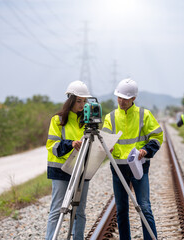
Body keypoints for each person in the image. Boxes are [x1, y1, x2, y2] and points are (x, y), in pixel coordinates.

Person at [102, 78, 163, 240]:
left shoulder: (144, 115)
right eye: (119, 97)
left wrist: (146, 150)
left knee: (144, 207)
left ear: (133, 99)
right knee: (121, 209)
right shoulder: (111, 117)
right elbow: (105, 138)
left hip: (139, 168)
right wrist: (107, 145)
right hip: (118, 169)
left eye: (125, 98)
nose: (121, 101)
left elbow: (157, 136)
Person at [45, 80, 92, 240]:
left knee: (80, 211)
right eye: (79, 100)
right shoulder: (57, 120)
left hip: (81, 170)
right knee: (57, 209)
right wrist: (71, 144)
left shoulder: (87, 122)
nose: (82, 104)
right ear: (70, 99)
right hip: (60, 171)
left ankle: (78, 237)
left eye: (84, 101)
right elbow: (52, 145)